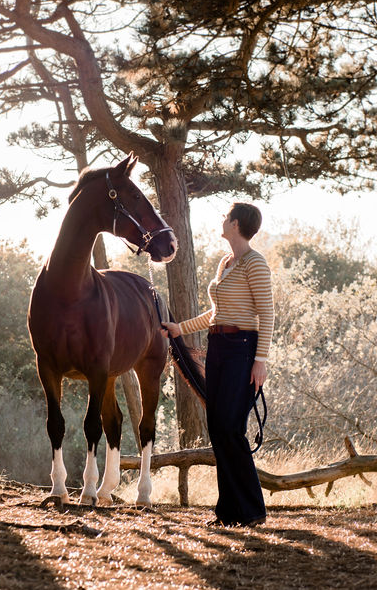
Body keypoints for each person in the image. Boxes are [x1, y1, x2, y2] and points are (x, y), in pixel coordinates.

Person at [161, 202, 274, 527]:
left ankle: (252, 510)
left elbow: (266, 314)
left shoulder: (255, 263)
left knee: (230, 427)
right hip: (219, 347)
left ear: (236, 225)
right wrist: (181, 328)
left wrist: (260, 361)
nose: (222, 221)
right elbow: (216, 314)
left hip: (242, 349)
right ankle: (228, 512)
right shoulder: (227, 262)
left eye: (226, 217)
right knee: (218, 428)